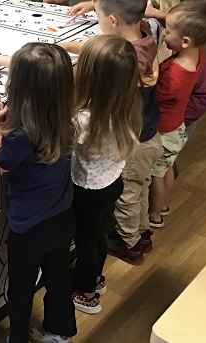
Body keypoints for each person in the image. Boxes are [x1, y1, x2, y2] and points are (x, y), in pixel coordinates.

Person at [0, 43, 77, 343]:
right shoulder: (66, 116)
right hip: (62, 216)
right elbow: (43, 73)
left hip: (28, 227)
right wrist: (6, 60)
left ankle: (19, 337)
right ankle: (60, 332)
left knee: (21, 287)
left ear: (20, 89)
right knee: (58, 277)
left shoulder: (23, 133)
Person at [65, 0, 163, 265]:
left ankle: (129, 245)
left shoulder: (126, 65)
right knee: (138, 191)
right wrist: (95, 5)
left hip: (130, 149)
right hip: (143, 139)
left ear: (114, 20)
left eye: (100, 15)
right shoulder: (143, 30)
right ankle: (142, 234)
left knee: (128, 199)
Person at [70, 35, 142, 314]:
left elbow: (59, 140)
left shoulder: (85, 119)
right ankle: (96, 279)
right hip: (112, 182)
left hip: (87, 190)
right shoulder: (127, 104)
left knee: (86, 243)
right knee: (98, 234)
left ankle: (87, 294)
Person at [148, 0, 206, 227]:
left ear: (185, 41)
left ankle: (155, 215)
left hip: (165, 131)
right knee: (166, 169)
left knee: (156, 174)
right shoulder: (197, 55)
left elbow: (154, 89)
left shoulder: (173, 76)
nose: (164, 34)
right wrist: (161, 16)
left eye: (167, 32)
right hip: (177, 128)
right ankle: (164, 205)